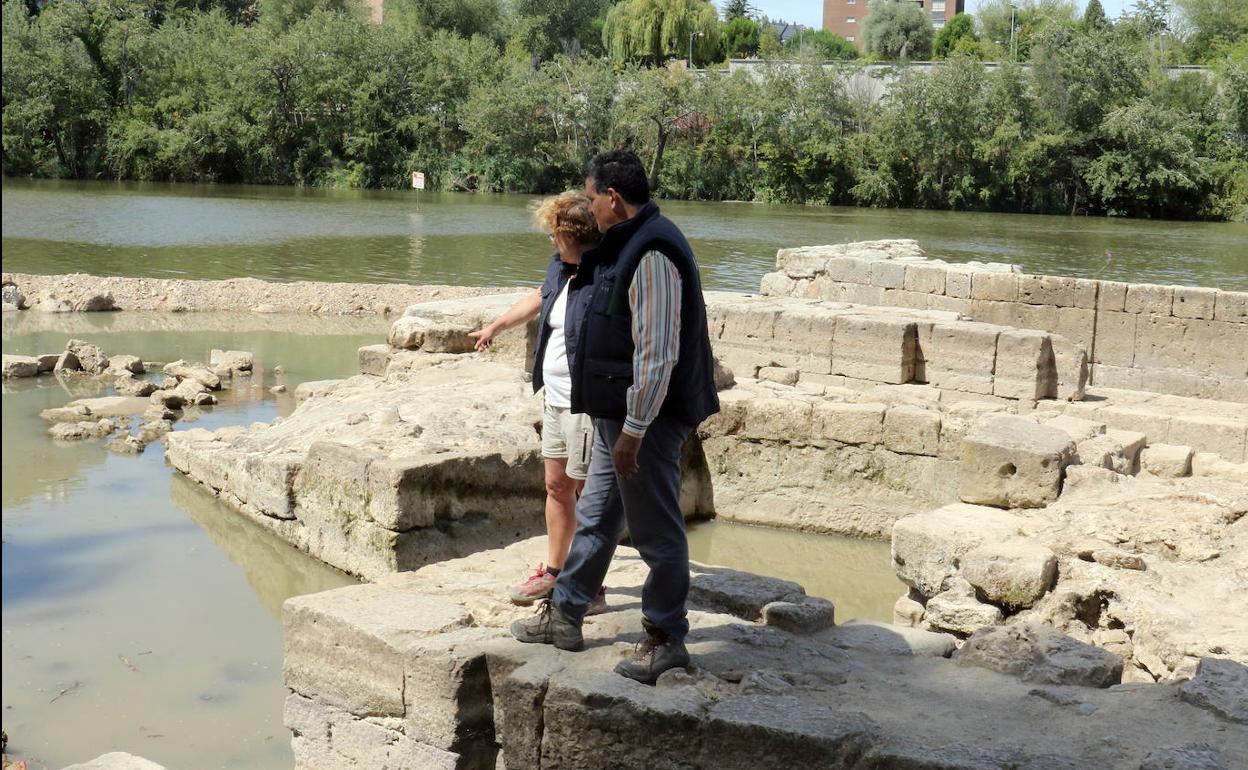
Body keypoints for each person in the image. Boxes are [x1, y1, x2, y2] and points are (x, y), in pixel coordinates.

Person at [510, 149, 720, 685]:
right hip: (618, 415)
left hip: (644, 420)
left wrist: (634, 430)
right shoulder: (626, 243)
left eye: (592, 196)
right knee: (599, 514)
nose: (589, 206)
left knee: (656, 532)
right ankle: (566, 614)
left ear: (613, 199)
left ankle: (666, 638)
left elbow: (656, 353)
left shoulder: (651, 253)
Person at [470, 191, 606, 613]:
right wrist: (495, 325)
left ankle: (590, 585)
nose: (550, 240)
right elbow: (538, 299)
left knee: (587, 495)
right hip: (555, 398)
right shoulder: (560, 269)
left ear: (573, 236)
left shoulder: (604, 275)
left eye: (554, 233)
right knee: (555, 486)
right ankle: (553, 570)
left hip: (586, 402)